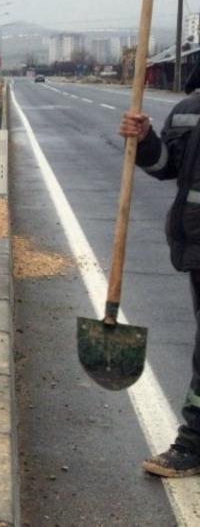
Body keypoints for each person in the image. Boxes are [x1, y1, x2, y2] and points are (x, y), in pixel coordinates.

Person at [121, 85, 200, 477]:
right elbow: (167, 166)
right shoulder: (189, 110)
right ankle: (194, 443)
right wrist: (146, 140)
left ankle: (193, 444)